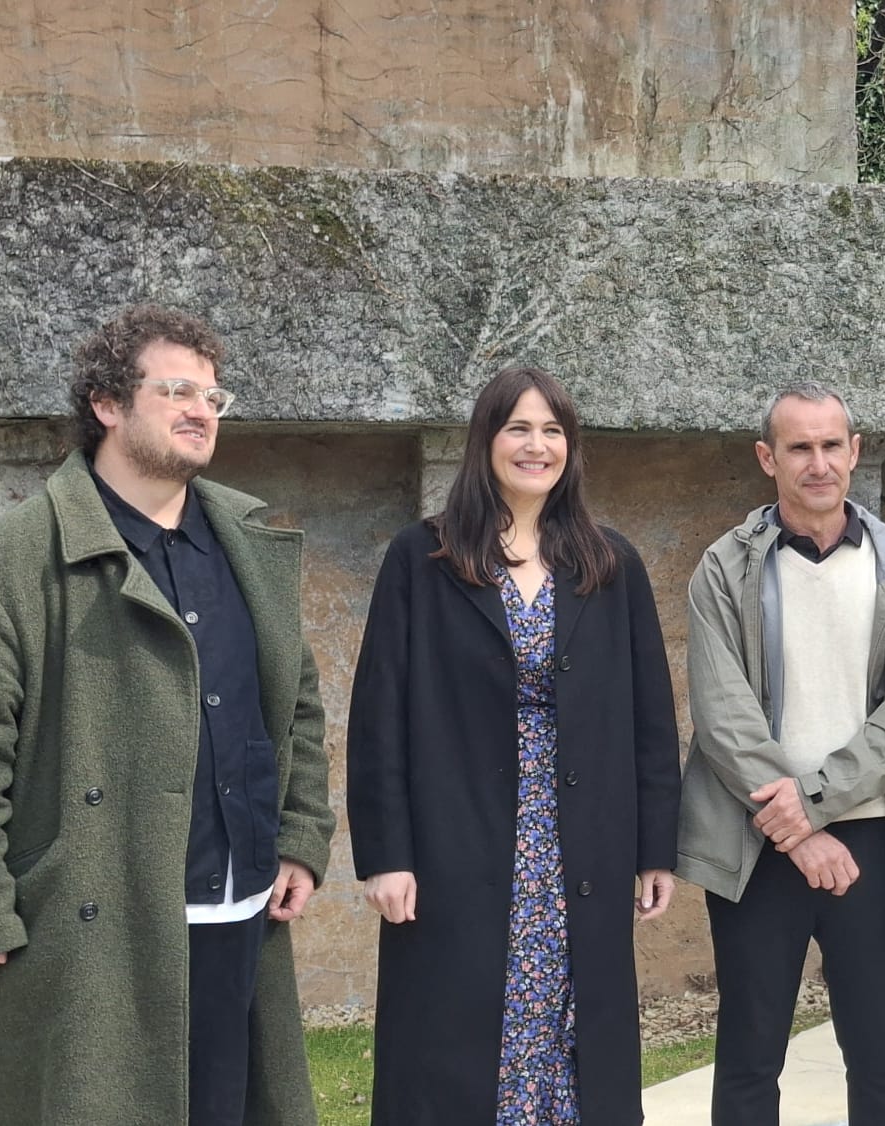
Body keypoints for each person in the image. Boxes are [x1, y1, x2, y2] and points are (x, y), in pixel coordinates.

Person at [0, 305, 335, 1125]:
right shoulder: (13, 560)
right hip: (86, 924)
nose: (202, 409)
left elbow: (294, 706)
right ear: (107, 403)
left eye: (214, 396)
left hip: (240, 906)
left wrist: (300, 836)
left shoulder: (249, 543)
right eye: (177, 390)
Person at [346, 365, 681, 1126]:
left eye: (553, 430)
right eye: (519, 428)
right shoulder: (421, 559)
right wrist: (387, 854)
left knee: (571, 1036)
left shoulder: (609, 564)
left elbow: (651, 720)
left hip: (579, 852)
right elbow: (378, 718)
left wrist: (655, 848)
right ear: (486, 440)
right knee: (450, 1046)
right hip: (453, 847)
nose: (537, 445)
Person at [676, 381, 885, 1126]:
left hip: (871, 841)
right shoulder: (722, 570)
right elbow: (722, 711)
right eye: (800, 447)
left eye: (832, 445)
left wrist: (816, 804)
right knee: (749, 1057)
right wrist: (796, 828)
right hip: (756, 840)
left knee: (879, 1059)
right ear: (768, 458)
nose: (818, 462)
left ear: (855, 453)